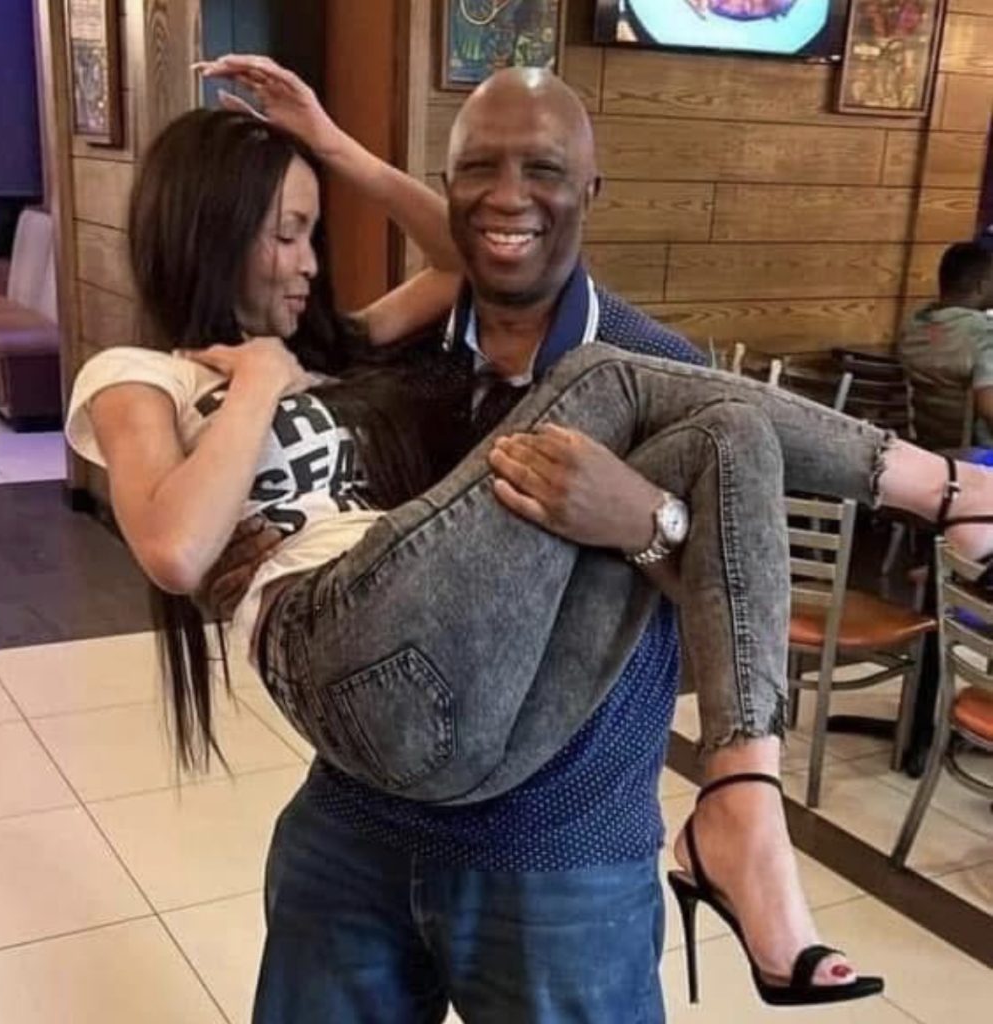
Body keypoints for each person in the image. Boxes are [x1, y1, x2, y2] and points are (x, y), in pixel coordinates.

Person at [70, 62, 993, 1021]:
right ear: (449, 187)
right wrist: (329, 151)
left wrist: (645, 524)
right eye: (477, 169)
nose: (508, 197)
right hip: (360, 819)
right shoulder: (397, 358)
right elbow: (183, 538)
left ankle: (744, 801)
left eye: (543, 169)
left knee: (720, 425)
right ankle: (950, 495)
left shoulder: (664, 368)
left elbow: (737, 596)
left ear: (591, 189)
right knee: (625, 388)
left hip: (560, 849)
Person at [898, 241, 993, 450]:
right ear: (982, 285)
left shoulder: (915, 325)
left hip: (927, 446)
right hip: (975, 454)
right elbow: (990, 409)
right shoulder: (984, 334)